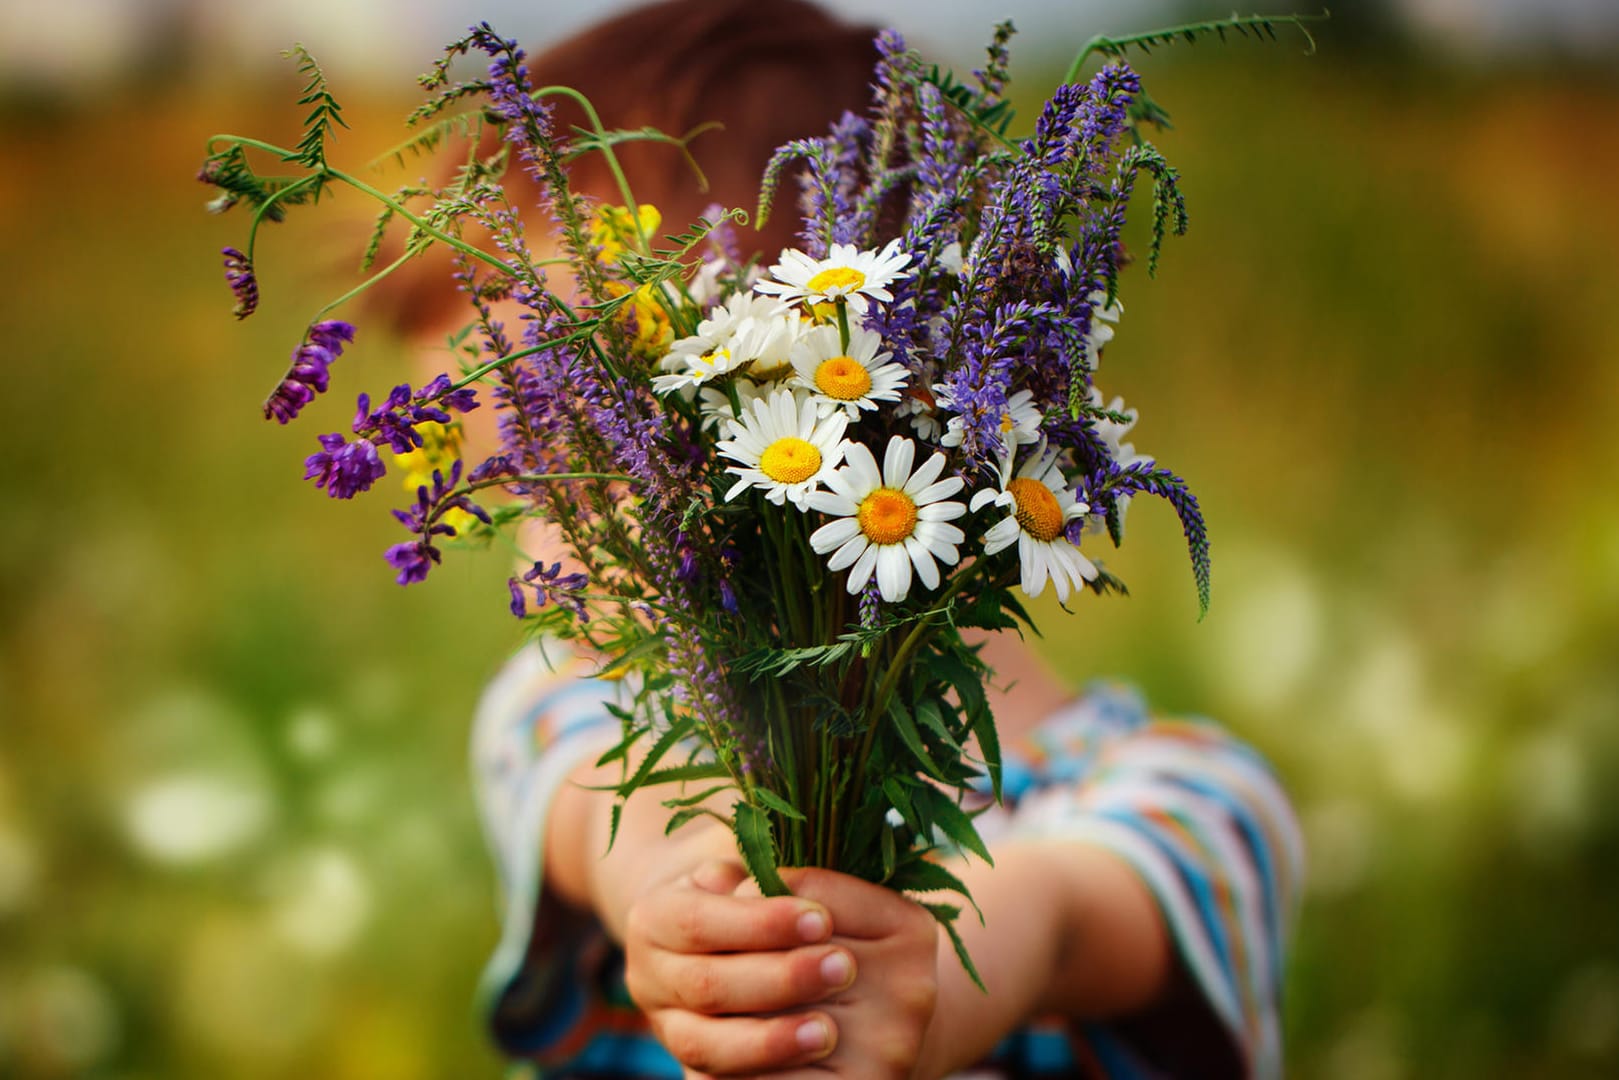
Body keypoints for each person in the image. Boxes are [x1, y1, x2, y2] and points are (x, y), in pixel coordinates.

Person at [388, 1, 1304, 1075]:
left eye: (587, 484)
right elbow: (615, 822)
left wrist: (947, 972)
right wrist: (688, 904)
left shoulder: (1189, 805)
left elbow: (1067, 912)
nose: (552, 556)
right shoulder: (568, 713)